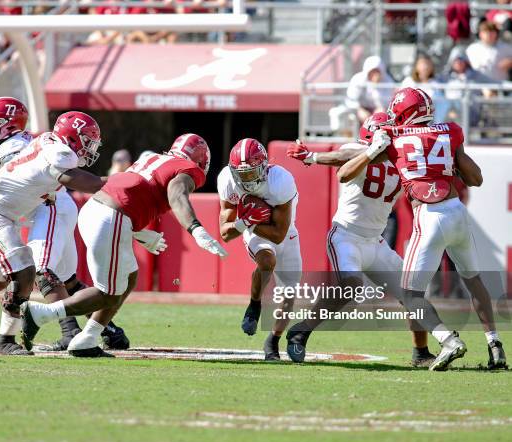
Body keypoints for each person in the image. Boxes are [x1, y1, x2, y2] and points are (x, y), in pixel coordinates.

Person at [338, 87, 507, 371]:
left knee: (410, 294)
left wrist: (372, 150)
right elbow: (475, 178)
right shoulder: (449, 131)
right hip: (457, 213)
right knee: (473, 279)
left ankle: (448, 340)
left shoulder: (394, 137)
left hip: (429, 216)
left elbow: (344, 173)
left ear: (406, 114)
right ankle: (495, 345)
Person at [21, 133, 228, 357]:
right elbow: (176, 193)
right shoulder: (188, 169)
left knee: (129, 276)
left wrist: (137, 233)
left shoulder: (152, 160)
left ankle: (87, 339)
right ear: (200, 160)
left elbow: (129, 191)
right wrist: (195, 227)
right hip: (112, 217)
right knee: (108, 293)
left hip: (97, 210)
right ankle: (41, 313)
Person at [0, 111, 108, 355]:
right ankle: (5, 339)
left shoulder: (50, 142)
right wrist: (119, 182)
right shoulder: (60, 153)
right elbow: (76, 179)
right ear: (72, 138)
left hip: (2, 213)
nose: (89, 148)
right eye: (86, 141)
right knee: (24, 271)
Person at [285, 113, 436, 367]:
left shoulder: (401, 160)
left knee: (412, 292)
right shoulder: (360, 150)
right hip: (346, 236)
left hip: (376, 243)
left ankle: (421, 352)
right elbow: (343, 159)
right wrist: (313, 158)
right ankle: (301, 330)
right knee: (351, 288)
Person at [217, 138, 301, 360]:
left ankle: (272, 341)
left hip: (286, 232)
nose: (246, 179)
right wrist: (246, 223)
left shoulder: (281, 181)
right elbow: (225, 233)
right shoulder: (227, 179)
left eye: (251, 173)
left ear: (264, 167)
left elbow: (279, 234)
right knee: (266, 261)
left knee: (289, 293)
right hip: (253, 231)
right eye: (241, 174)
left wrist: (249, 221)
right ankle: (254, 305)